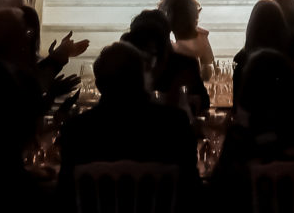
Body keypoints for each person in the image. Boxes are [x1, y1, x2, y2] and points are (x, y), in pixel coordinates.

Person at [60, 43, 197, 173]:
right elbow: (191, 182)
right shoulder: (175, 123)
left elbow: (66, 186)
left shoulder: (75, 130)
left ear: (99, 85)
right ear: (141, 79)